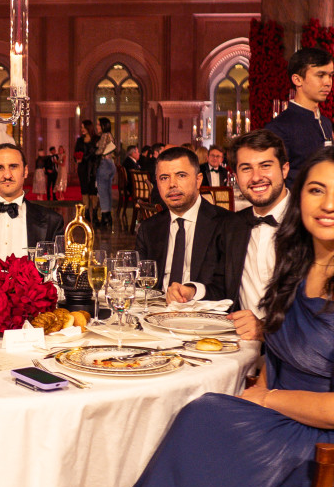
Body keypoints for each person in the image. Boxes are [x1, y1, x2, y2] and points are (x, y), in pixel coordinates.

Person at [122, 144, 334, 487]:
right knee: (201, 414)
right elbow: (278, 355)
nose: (328, 205)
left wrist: (265, 399)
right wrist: (260, 391)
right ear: (300, 199)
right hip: (292, 415)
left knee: (219, 452)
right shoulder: (296, 268)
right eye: (316, 190)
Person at [168, 130, 291, 341]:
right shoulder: (233, 225)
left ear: (284, 169)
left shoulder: (309, 224)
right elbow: (222, 287)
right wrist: (191, 291)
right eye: (246, 168)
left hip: (296, 357)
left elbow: (322, 311)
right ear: (235, 175)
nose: (256, 177)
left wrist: (266, 329)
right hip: (240, 349)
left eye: (265, 165)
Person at [135, 146, 232, 290]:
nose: (172, 184)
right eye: (164, 178)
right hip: (157, 308)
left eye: (181, 175)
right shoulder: (149, 228)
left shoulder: (226, 225)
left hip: (202, 309)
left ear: (198, 180)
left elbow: (227, 288)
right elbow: (140, 286)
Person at [265, 47, 334, 183]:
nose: (328, 82)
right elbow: (275, 181)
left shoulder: (325, 123)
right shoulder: (279, 127)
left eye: (330, 75)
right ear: (297, 80)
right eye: (320, 75)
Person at [94, 117, 117, 228]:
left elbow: (101, 150)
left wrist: (93, 150)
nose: (97, 126)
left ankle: (105, 216)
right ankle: (108, 216)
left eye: (99, 124)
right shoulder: (110, 135)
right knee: (107, 191)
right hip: (110, 163)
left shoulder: (104, 135)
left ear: (104, 125)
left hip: (104, 164)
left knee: (102, 192)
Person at [75, 120, 100, 219]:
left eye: (84, 127)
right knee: (84, 191)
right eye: (81, 127)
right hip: (83, 169)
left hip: (94, 169)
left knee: (94, 191)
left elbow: (97, 154)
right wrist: (77, 158)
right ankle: (86, 213)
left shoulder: (96, 139)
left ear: (89, 128)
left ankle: (94, 213)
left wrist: (85, 157)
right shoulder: (79, 140)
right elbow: (76, 152)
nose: (82, 129)